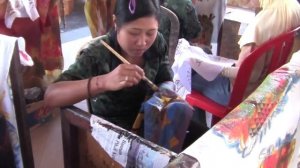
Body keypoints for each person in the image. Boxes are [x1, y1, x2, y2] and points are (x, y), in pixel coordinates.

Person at [44, 0, 192, 152]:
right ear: (116, 23)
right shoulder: (98, 54)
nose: (142, 42)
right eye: (134, 33)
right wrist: (103, 82)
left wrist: (165, 89)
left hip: (153, 125)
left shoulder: (157, 43)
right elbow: (51, 96)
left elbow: (164, 74)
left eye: (150, 32)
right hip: (113, 139)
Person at [191, 0, 300, 120]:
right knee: (203, 60)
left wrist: (216, 69)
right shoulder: (292, 7)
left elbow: (246, 75)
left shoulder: (260, 25)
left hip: (240, 95)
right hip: (265, 89)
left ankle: (197, 133)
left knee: (186, 77)